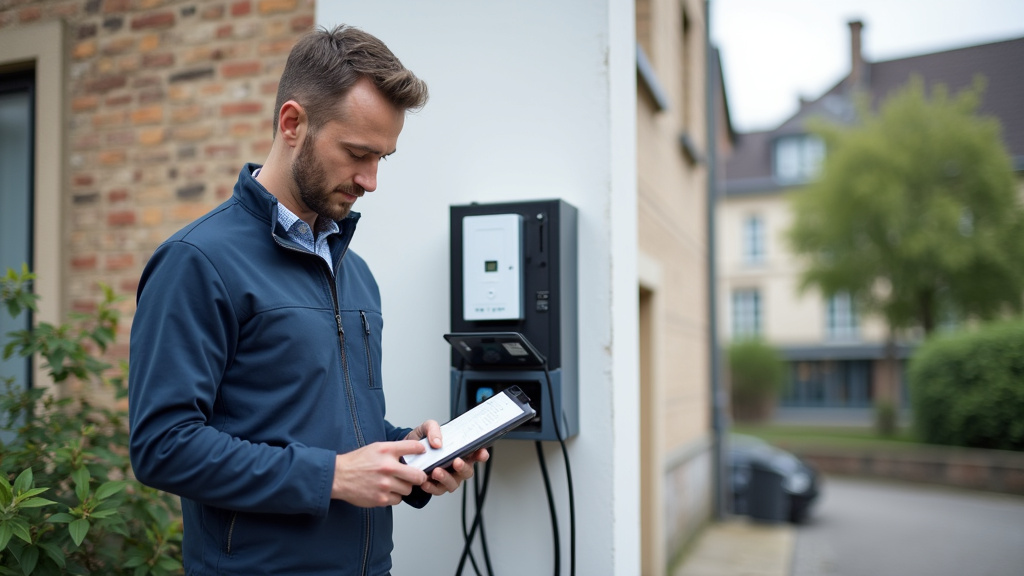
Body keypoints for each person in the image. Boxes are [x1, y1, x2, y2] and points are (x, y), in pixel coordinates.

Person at [128, 24, 487, 575]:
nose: (370, 181)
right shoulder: (197, 262)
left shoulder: (355, 272)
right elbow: (163, 445)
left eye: (382, 159)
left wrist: (410, 453)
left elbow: (330, 431)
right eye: (356, 153)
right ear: (292, 123)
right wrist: (335, 476)